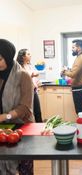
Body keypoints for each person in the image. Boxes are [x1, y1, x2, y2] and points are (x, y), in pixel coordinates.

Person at [0, 39, 34, 174]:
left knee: (25, 169)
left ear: (8, 57)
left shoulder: (23, 75)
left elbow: (25, 107)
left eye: (0, 59)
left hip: (23, 127)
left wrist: (4, 116)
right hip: (5, 128)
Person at [61, 39, 82, 115]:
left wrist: (64, 72)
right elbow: (75, 71)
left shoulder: (80, 59)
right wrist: (68, 70)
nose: (71, 49)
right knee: (79, 110)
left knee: (79, 111)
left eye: (73, 47)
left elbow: (73, 74)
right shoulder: (79, 57)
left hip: (79, 88)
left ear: (79, 48)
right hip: (79, 88)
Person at [17, 49, 42, 122]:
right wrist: (31, 75)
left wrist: (37, 83)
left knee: (37, 111)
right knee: (29, 113)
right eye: (28, 54)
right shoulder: (19, 67)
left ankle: (40, 128)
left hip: (33, 91)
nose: (30, 55)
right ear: (23, 56)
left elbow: (32, 78)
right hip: (26, 93)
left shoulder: (29, 65)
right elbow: (22, 78)